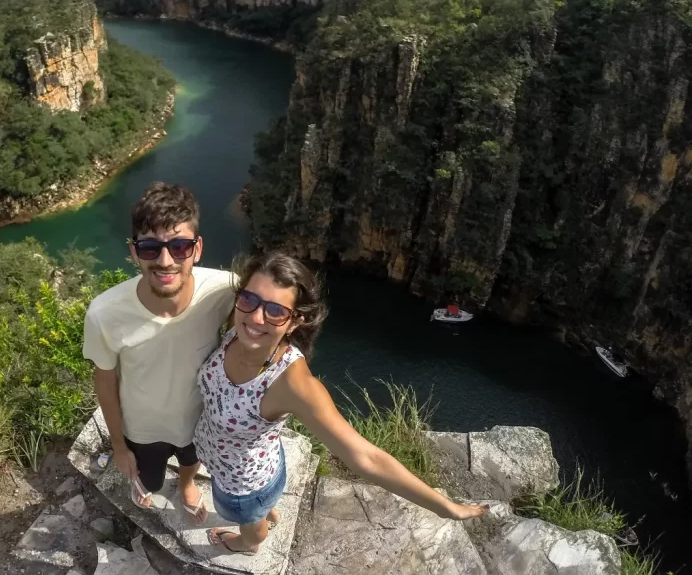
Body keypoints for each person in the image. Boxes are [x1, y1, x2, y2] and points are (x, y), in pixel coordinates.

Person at [194, 251, 489, 555]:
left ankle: (247, 543)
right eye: (249, 300)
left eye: (275, 311)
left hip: (245, 486)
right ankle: (268, 511)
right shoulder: (235, 326)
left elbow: (365, 458)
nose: (256, 317)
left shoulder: (293, 384)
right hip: (246, 459)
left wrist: (444, 507)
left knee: (251, 523)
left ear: (295, 321)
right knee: (262, 508)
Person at [83, 182, 234, 525]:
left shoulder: (225, 291)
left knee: (190, 462)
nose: (166, 261)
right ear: (135, 252)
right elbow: (105, 381)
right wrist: (119, 447)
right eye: (151, 248)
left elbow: (268, 322)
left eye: (179, 246)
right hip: (143, 427)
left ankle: (185, 484)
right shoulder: (105, 313)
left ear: (197, 249)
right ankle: (146, 484)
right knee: (148, 479)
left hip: (198, 419)